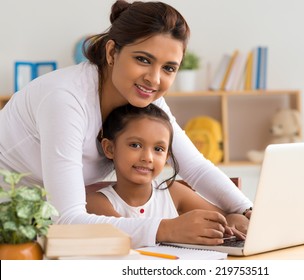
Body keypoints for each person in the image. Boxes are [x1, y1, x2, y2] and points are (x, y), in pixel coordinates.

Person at [0, 0, 252, 248]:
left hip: (44, 228)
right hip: (12, 229)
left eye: (168, 68)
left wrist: (247, 211)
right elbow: (67, 222)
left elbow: (194, 167)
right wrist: (168, 228)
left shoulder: (142, 98)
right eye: (143, 59)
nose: (154, 79)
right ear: (111, 52)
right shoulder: (65, 100)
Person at [86, 103, 248, 244]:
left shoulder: (172, 191)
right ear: (109, 148)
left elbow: (223, 219)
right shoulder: (96, 202)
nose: (147, 158)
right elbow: (126, 236)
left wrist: (235, 219)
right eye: (135, 145)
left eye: (158, 149)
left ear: (167, 157)